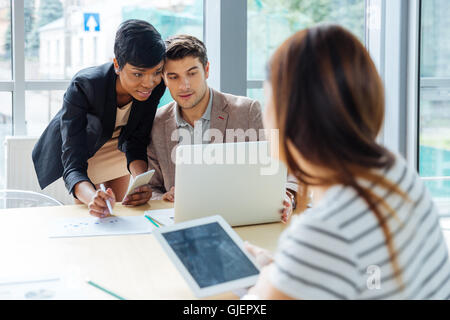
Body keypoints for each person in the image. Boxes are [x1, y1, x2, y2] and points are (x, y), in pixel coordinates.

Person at [243, 24, 450, 299]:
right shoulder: (394, 170)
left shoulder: (324, 232)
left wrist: (271, 278)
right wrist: (285, 272)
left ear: (292, 115)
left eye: (267, 100)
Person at [147, 35, 298, 222]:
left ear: (207, 70)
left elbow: (290, 168)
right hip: (186, 227)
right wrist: (163, 198)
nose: (184, 85)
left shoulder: (248, 111)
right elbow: (151, 189)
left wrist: (288, 196)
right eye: (173, 77)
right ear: (164, 79)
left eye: (192, 73)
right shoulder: (157, 123)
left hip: (246, 222)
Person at [32, 19, 166, 218]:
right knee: (94, 211)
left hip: (118, 149)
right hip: (84, 148)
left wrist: (141, 182)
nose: (149, 83)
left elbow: (137, 141)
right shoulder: (84, 86)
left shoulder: (156, 85)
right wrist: (92, 197)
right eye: (138, 74)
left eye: (156, 72)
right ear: (117, 65)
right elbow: (73, 162)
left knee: (118, 212)